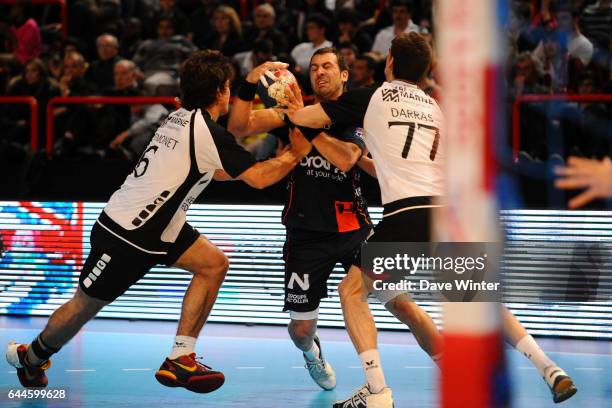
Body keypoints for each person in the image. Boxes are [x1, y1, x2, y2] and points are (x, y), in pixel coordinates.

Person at [284, 32, 577, 407]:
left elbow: (302, 118)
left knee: (351, 293)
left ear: (389, 62)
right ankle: (549, 368)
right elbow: (400, 164)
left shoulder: (372, 96)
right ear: (426, 71)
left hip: (408, 216)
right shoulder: (433, 105)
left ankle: (377, 393)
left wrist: (292, 107)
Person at [6, 50, 311, 393]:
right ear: (221, 91)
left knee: (213, 264)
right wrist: (294, 153)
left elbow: (220, 171)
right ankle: (30, 356)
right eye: (229, 87)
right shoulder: (206, 133)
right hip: (127, 233)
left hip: (161, 226)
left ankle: (181, 357)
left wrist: (270, 110)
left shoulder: (180, 116)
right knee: (84, 306)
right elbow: (258, 179)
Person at [228, 48, 442, 393]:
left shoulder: (358, 111)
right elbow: (238, 126)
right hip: (305, 235)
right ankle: (313, 354)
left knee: (402, 304)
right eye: (314, 68)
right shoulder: (293, 113)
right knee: (300, 332)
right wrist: (249, 84)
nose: (320, 72)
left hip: (354, 229)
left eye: (328, 66)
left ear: (344, 74)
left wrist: (302, 126)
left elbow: (345, 158)